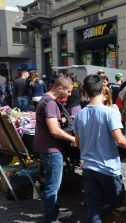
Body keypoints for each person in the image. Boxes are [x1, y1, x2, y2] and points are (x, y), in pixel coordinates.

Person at [74, 75, 126, 223]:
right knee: (117, 198)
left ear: (85, 91)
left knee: (94, 203)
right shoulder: (109, 112)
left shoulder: (79, 114)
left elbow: (77, 143)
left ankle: (94, 215)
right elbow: (120, 140)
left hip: (89, 167)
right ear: (103, 90)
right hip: (107, 168)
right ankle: (95, 214)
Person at [34, 75, 75, 222]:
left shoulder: (45, 100)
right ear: (59, 89)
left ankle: (54, 212)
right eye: (68, 91)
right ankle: (51, 218)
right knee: (53, 186)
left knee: (51, 184)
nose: (69, 94)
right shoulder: (50, 103)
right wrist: (73, 139)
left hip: (47, 148)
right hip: (52, 150)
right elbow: (54, 130)